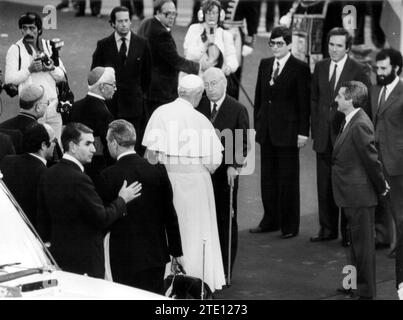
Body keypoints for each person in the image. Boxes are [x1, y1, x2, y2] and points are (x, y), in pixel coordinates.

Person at [142, 74, 226, 292]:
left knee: (169, 228)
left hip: (166, 181)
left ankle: (167, 278)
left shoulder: (160, 113)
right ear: (198, 96)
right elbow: (215, 161)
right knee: (196, 231)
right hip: (197, 184)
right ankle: (198, 279)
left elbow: (150, 156)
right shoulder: (201, 120)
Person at [37, 123, 142, 279]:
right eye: (88, 144)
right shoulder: (79, 179)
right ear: (72, 146)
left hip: (58, 257)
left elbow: (42, 217)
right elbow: (102, 218)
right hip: (84, 261)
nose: (94, 149)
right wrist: (122, 200)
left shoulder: (48, 174)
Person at [96, 119, 183, 294]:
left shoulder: (108, 176)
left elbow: (105, 218)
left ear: (114, 143)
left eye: (107, 142)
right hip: (155, 254)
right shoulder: (157, 169)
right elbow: (169, 214)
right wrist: (176, 251)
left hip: (124, 256)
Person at [310, 27, 372, 246]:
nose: (334, 49)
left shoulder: (358, 70)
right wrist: (315, 128)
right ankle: (326, 228)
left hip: (345, 138)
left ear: (347, 47)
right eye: (331, 44)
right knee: (323, 185)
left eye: (338, 45)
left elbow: (365, 107)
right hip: (322, 136)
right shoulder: (320, 67)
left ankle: (348, 233)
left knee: (345, 186)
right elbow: (315, 99)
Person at [249, 26, 310, 239]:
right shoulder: (265, 64)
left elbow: (304, 103)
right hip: (266, 131)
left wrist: (303, 132)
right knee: (268, 178)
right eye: (272, 43)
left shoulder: (300, 68)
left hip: (288, 132)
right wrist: (258, 123)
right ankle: (270, 220)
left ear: (290, 45)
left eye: (280, 44)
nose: (275, 47)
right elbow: (259, 97)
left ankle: (289, 225)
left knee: (288, 179)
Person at [332, 81, 388, 300]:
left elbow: (371, 161)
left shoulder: (359, 124)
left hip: (360, 196)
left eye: (340, 96)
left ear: (350, 100)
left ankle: (365, 293)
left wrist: (381, 187)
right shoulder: (349, 120)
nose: (336, 99)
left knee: (362, 248)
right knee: (352, 245)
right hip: (349, 195)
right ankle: (351, 284)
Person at [197, 67, 249, 282]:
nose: (209, 89)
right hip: (200, 173)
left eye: (214, 84)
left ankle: (225, 270)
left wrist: (233, 166)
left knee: (225, 220)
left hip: (224, 175)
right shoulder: (197, 106)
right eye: (206, 84)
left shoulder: (237, 109)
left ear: (224, 84)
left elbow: (242, 142)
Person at [91, 6, 152, 154]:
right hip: (111, 108)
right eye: (120, 21)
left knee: (133, 149)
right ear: (112, 23)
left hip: (134, 108)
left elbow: (147, 76)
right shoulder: (103, 45)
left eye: (126, 20)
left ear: (131, 22)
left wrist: (137, 94)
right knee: (111, 149)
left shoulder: (142, 44)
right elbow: (95, 75)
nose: (124, 24)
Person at [5, 11, 67, 141]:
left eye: (32, 28)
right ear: (21, 30)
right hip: (32, 109)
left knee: (56, 148)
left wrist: (51, 68)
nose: (28, 32)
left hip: (53, 106)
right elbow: (9, 79)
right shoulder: (15, 49)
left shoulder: (49, 46)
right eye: (24, 28)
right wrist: (29, 70)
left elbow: (62, 76)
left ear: (39, 30)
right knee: (36, 147)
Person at [137, 0, 200, 116]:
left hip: (146, 88)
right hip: (162, 92)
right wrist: (199, 68)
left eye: (174, 14)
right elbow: (175, 61)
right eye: (168, 14)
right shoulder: (161, 33)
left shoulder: (146, 23)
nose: (172, 17)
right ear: (158, 12)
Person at [371, 48, 403, 251]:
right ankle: (383, 238)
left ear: (397, 68)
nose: (379, 72)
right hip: (377, 157)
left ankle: (401, 248)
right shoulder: (377, 89)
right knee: (382, 201)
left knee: (399, 207)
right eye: (377, 68)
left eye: (384, 68)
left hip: (396, 159)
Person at [0, 123, 56, 228]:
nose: (55, 145)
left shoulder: (7, 161)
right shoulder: (47, 175)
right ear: (44, 145)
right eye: (54, 141)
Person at [71, 67, 115, 184]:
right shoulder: (104, 113)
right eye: (112, 85)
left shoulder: (75, 106)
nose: (115, 89)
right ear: (102, 87)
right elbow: (108, 146)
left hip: (75, 164)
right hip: (96, 169)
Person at [182, 0, 238, 82]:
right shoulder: (194, 29)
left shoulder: (225, 34)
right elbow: (189, 55)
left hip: (216, 79)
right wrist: (205, 45)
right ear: (202, 14)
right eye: (208, 13)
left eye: (214, 13)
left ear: (220, 15)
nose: (211, 16)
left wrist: (229, 67)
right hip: (196, 77)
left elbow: (231, 56)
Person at [220, 0, 261, 99]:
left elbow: (252, 19)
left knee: (233, 69)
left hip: (235, 35)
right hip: (219, 32)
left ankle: (232, 98)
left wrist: (249, 42)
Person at [0, 84, 48, 154]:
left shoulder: (2, 126)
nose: (47, 106)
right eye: (47, 103)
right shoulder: (40, 134)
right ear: (38, 107)